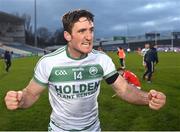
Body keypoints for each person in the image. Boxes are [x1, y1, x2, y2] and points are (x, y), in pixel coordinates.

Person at [4, 9, 166, 131]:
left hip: (93, 128)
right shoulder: (49, 62)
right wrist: (20, 100)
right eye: (82, 31)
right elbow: (31, 93)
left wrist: (148, 99)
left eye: (91, 30)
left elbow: (123, 89)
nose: (89, 37)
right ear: (68, 36)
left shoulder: (102, 60)